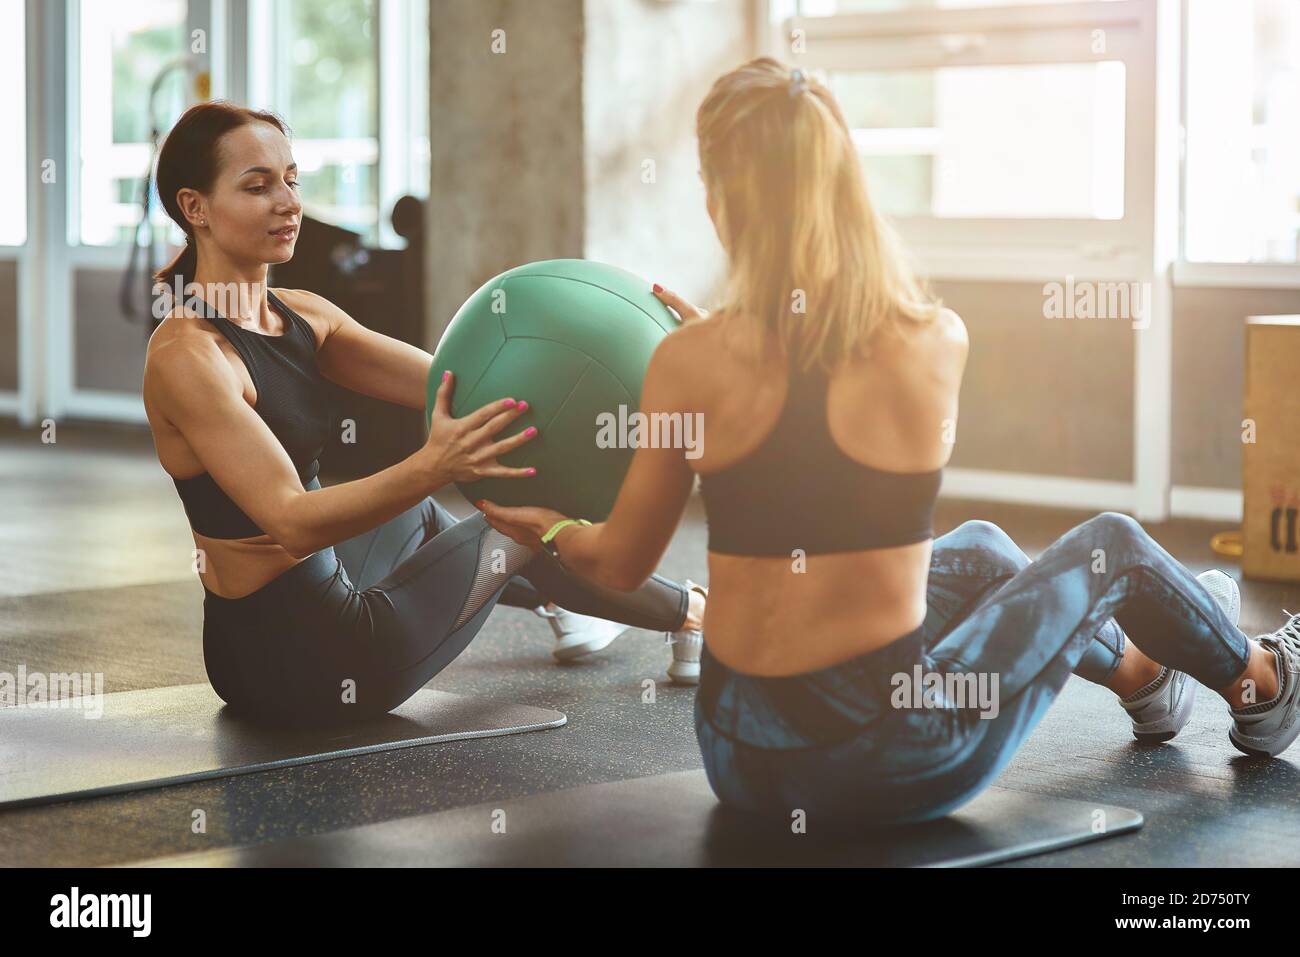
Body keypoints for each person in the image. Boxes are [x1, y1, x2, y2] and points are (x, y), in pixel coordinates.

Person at [477, 58, 1300, 829]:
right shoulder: (933, 339)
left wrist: (546, 524)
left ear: (722, 200)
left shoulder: (687, 362)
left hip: (738, 759)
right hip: (892, 761)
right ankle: (1258, 677)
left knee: (978, 548)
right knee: (1113, 546)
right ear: (846, 187)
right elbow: (828, 392)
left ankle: (1144, 676)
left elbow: (618, 563)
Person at [141, 100, 706, 727]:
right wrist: (437, 462)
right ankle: (695, 613)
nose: (289, 203)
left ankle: (565, 597)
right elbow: (292, 520)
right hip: (320, 661)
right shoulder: (189, 357)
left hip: (267, 639)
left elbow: (463, 389)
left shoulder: (302, 314)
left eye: (292, 180)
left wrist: (661, 367)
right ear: (195, 208)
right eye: (258, 185)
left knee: (420, 511)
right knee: (513, 521)